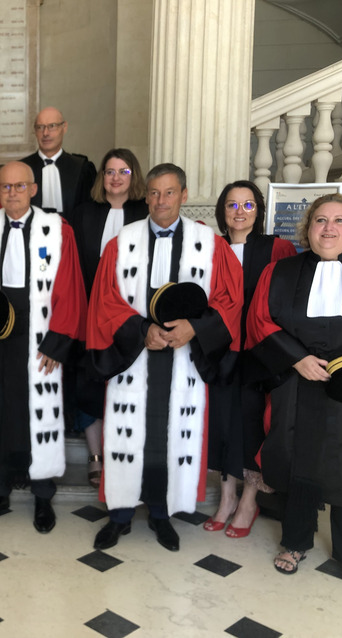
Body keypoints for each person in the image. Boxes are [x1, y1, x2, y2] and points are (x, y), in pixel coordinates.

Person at [87, 163, 242, 552]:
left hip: (185, 361)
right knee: (128, 432)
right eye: (154, 193)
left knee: (171, 435)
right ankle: (119, 515)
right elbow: (106, 301)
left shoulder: (210, 244)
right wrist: (143, 332)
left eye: (169, 192)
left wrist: (195, 328)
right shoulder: (122, 243)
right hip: (135, 358)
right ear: (146, 197)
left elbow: (229, 300)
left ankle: (161, 514)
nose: (160, 201)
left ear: (184, 196)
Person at [247, 194, 342, 590]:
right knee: (301, 462)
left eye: (339, 221)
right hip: (301, 385)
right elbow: (260, 320)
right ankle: (295, 542)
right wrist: (295, 359)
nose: (329, 228)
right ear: (307, 227)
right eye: (320, 220)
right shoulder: (281, 271)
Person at [0, 161, 87, 534]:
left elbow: (70, 287)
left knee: (38, 414)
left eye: (19, 186)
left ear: (33, 190)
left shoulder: (57, 230)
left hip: (40, 338)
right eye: (5, 187)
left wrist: (57, 343)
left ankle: (43, 495)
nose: (12, 192)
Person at [204, 181, 295, 537]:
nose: (239, 213)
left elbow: (287, 302)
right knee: (223, 423)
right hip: (221, 352)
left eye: (247, 205)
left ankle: (249, 501)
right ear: (221, 211)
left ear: (258, 210)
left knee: (254, 425)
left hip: (260, 355)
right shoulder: (210, 249)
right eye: (231, 205)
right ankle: (227, 497)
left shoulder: (278, 248)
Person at [70, 148, 149, 488]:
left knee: (127, 385)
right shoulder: (83, 214)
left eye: (124, 171)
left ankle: (125, 455)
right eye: (110, 171)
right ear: (102, 178)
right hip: (90, 312)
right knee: (89, 384)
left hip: (130, 317)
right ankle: (95, 457)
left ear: (135, 177)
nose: (116, 177)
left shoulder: (146, 212)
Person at [20, 107, 96, 222]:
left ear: (64, 127)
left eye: (52, 126)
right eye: (40, 127)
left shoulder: (82, 168)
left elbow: (90, 214)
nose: (45, 133)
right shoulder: (21, 169)